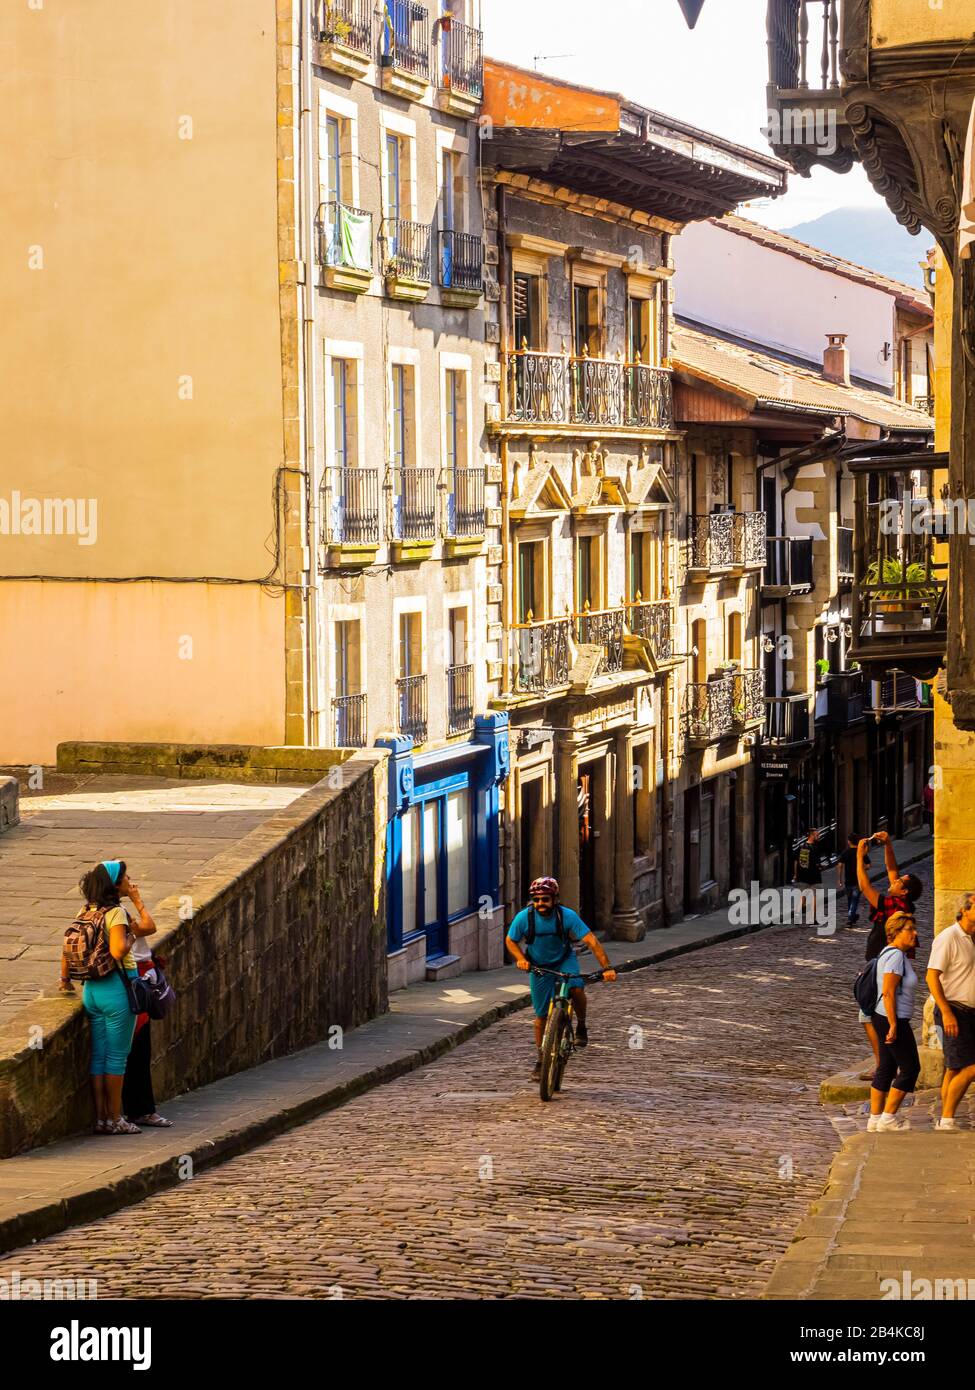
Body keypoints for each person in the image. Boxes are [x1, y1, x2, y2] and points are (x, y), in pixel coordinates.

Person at [65, 860, 157, 1135]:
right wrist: (128, 937)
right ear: (115, 885)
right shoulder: (116, 913)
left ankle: (102, 1119)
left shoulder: (86, 910)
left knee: (99, 1057)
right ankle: (116, 1118)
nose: (130, 879)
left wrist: (63, 980)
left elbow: (66, 948)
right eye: (125, 877)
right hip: (116, 990)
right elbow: (119, 950)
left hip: (91, 991)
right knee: (117, 1058)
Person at [505, 877, 616, 1079]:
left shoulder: (567, 916)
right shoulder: (524, 917)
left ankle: (581, 1024)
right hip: (538, 966)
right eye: (536, 900)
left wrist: (607, 968)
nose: (540, 904)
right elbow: (510, 940)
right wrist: (521, 959)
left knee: (576, 988)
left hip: (564, 960)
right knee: (540, 1016)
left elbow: (591, 940)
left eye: (545, 899)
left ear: (554, 899)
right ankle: (541, 1059)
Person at [854, 831, 923, 1079]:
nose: (892, 881)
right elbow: (892, 868)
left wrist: (859, 857)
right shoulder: (902, 901)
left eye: (898, 883)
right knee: (875, 1013)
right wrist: (888, 845)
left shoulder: (892, 905)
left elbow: (864, 887)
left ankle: (882, 1064)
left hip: (880, 962)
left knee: (869, 1013)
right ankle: (884, 1063)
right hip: (884, 961)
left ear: (903, 891)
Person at [926, 892, 975, 1131]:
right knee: (968, 1067)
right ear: (964, 910)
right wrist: (946, 1012)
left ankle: (946, 1119)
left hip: (970, 1012)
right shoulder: (949, 937)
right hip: (953, 1010)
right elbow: (932, 976)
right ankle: (946, 1118)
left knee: (954, 1067)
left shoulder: (972, 938)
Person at [868, 912, 921, 1132]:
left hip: (883, 1017)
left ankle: (874, 1118)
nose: (915, 933)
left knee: (887, 1068)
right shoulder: (896, 956)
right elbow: (888, 992)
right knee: (910, 1068)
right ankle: (888, 1118)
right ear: (897, 932)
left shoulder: (890, 953)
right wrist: (893, 1025)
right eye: (910, 929)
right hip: (892, 1018)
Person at [122, 929, 172, 1130]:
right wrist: (135, 898)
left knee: (121, 1056)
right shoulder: (119, 915)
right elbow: (149, 925)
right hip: (132, 987)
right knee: (138, 1052)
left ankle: (117, 1115)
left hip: (110, 987)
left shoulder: (88, 914)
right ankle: (141, 1111)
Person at [791, 828, 822, 925]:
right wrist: (821, 867)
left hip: (802, 875)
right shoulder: (815, 848)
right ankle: (812, 919)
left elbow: (796, 862)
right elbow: (817, 864)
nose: (819, 836)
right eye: (817, 835)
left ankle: (797, 917)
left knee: (802, 897)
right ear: (812, 835)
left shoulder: (801, 846)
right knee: (815, 898)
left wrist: (796, 874)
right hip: (814, 876)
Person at [837, 832, 868, 927]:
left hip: (848, 880)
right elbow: (868, 865)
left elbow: (840, 865)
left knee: (851, 900)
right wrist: (862, 868)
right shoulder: (861, 852)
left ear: (849, 841)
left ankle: (851, 917)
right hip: (858, 880)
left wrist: (839, 879)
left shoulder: (845, 852)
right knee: (853, 900)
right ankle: (852, 916)